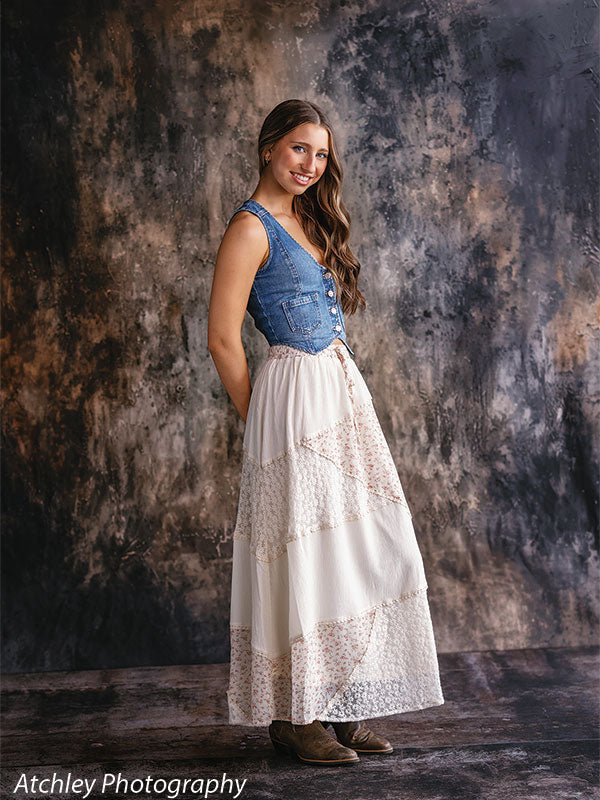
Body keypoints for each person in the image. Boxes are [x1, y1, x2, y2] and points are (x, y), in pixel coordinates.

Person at [207, 99, 444, 767]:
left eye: (320, 154)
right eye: (298, 150)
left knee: (354, 538)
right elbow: (223, 338)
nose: (310, 164)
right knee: (302, 549)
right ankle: (296, 714)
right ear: (267, 148)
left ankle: (338, 700)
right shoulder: (250, 229)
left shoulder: (309, 218)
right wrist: (262, 421)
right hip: (291, 392)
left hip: (338, 387)